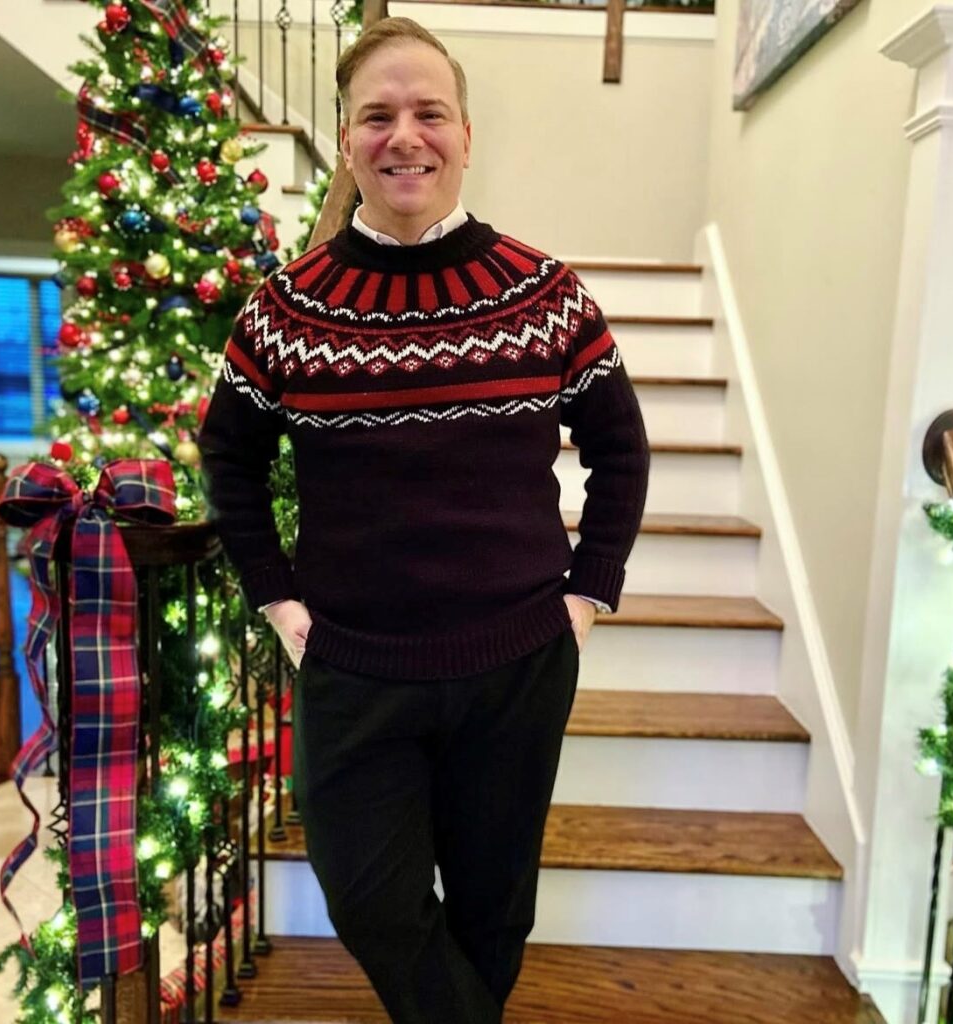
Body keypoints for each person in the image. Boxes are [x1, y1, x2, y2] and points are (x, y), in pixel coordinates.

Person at [198, 16, 649, 1023]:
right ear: (349, 139)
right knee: (368, 894)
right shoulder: (287, 309)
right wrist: (276, 597)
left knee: (493, 911)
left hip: (515, 661)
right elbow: (226, 452)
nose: (405, 136)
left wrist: (588, 594)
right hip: (355, 664)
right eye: (377, 116)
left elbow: (619, 448)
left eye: (427, 112)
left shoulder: (544, 293)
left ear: (465, 132)